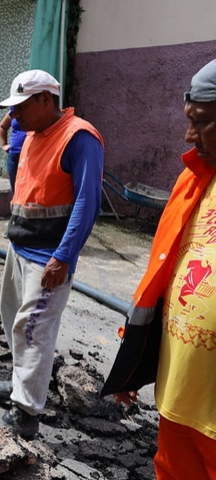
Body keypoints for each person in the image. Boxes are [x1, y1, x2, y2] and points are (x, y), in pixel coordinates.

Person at [102, 59, 216, 479]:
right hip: (180, 402)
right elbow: (160, 275)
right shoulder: (194, 179)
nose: (188, 136)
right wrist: (136, 359)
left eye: (202, 122)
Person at [0, 69, 105, 438]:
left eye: (22, 106)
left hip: (47, 255)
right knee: (14, 321)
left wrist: (63, 256)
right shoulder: (33, 133)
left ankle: (27, 412)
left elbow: (87, 203)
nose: (15, 115)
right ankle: (20, 382)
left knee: (34, 330)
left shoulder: (79, 137)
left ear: (45, 100)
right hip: (20, 244)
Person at [0, 106, 27, 193]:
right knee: (16, 191)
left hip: (31, 156)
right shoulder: (14, 110)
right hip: (14, 156)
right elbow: (2, 127)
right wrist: (3, 145)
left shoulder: (34, 110)